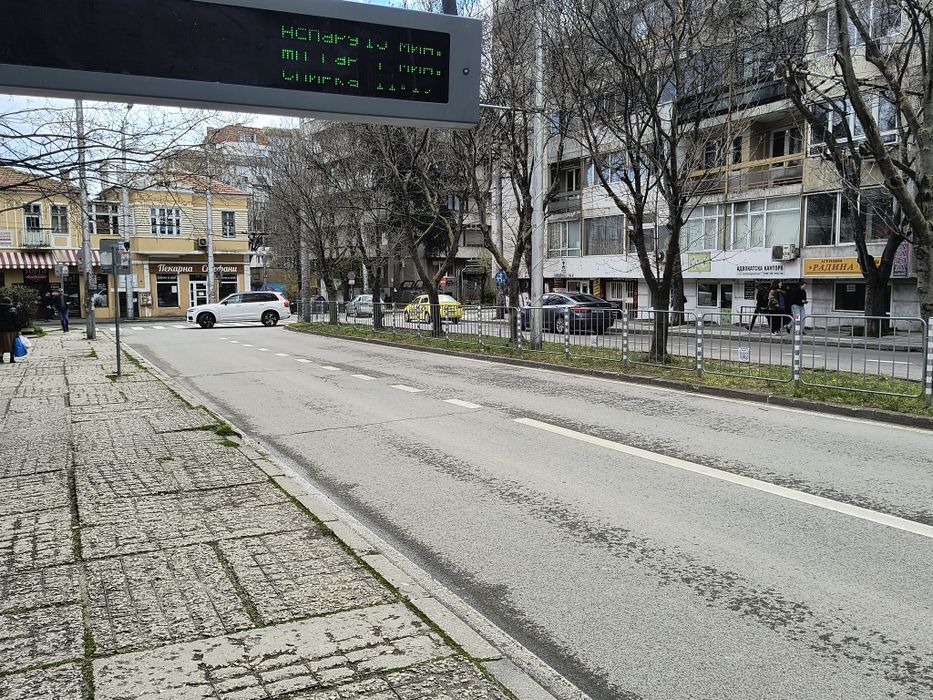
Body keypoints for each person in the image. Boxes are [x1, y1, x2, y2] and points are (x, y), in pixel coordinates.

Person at [0, 296, 21, 364]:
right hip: (11, 330)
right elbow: (16, 321)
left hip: (1, 330)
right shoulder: (13, 309)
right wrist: (19, 330)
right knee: (12, 344)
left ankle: (1, 358)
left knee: (1, 344)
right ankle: (11, 358)